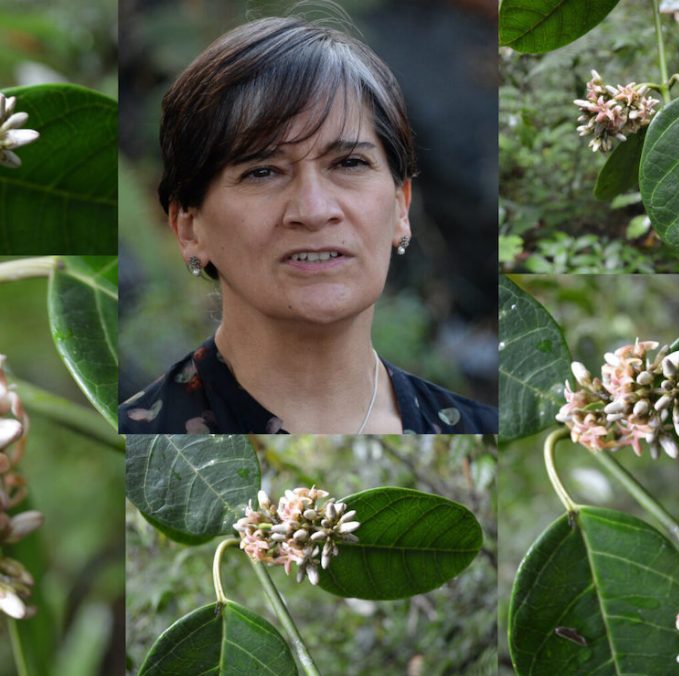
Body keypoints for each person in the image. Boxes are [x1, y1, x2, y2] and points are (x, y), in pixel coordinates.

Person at [119, 16, 497, 434]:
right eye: (262, 172)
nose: (314, 210)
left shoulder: (475, 431)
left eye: (349, 163)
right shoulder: (139, 440)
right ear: (189, 229)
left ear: (400, 207)